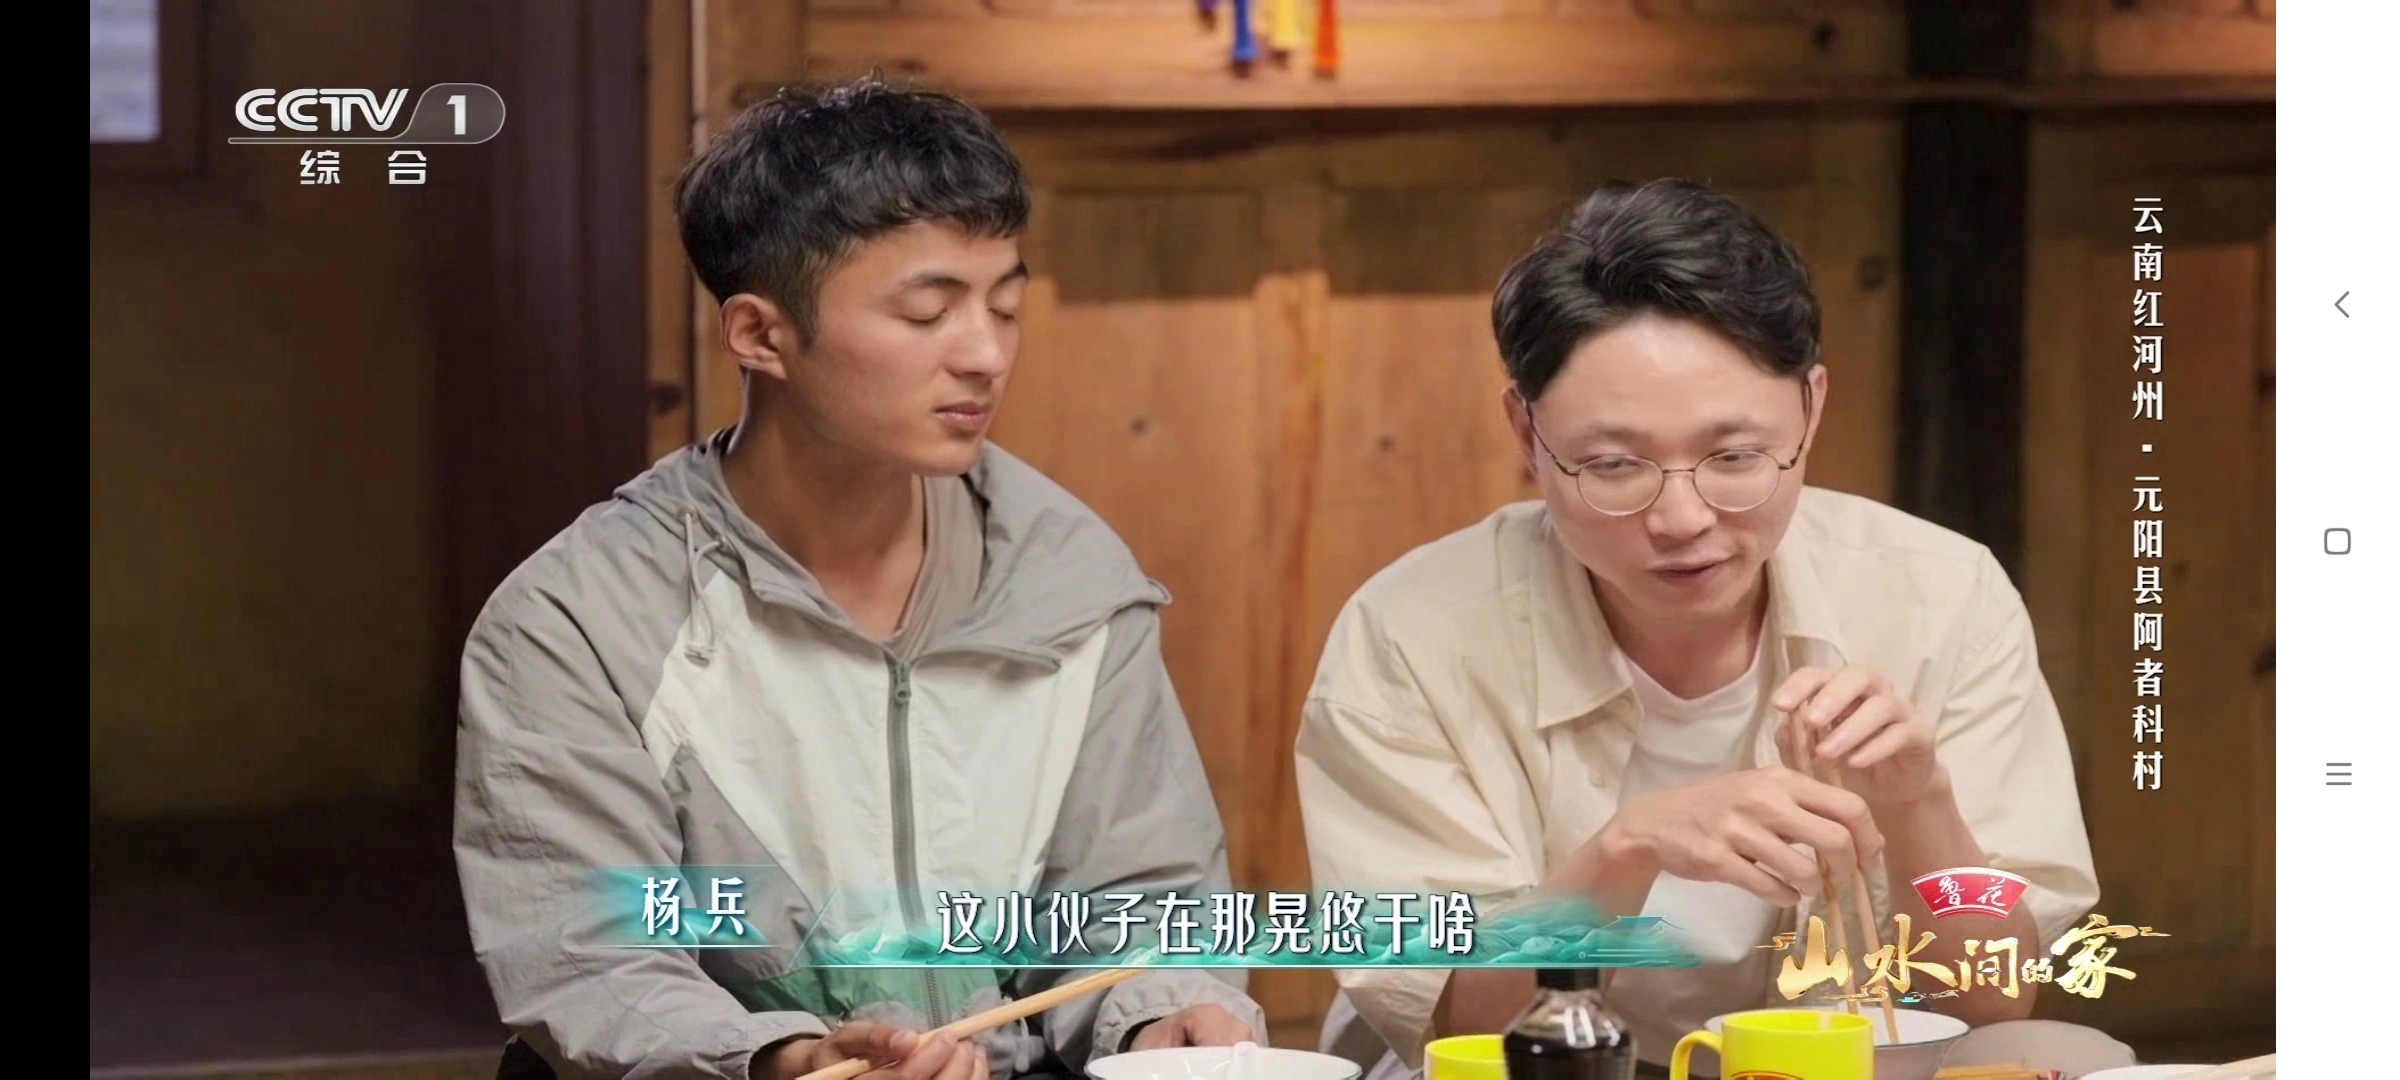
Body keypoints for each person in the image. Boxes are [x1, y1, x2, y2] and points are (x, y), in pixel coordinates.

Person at [453, 78, 1264, 1080]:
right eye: (928, 313)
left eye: (1005, 307)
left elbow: (1145, 901)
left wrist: (1162, 1015)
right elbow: (589, 959)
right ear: (761, 335)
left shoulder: (1064, 575)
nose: (985, 355)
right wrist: (788, 1055)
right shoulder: (579, 621)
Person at [1294, 179, 2134, 1078]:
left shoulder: (1939, 594)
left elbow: (1986, 998)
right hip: (1553, 1069)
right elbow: (1460, 1023)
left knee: (2065, 1055)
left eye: (1734, 457)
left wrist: (1918, 801)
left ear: (1811, 407)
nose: (1683, 518)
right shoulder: (1410, 635)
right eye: (1614, 465)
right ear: (1527, 435)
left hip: (1829, 1066)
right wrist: (1627, 851)